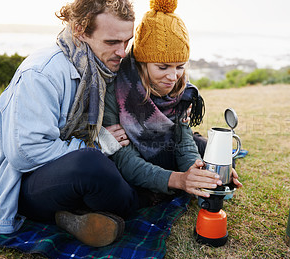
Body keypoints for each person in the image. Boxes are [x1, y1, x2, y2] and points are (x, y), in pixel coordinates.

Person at [0, 0, 138, 247]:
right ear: (80, 30)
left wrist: (180, 97)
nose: (122, 51)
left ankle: (75, 217)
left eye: (127, 41)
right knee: (92, 164)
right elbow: (25, 153)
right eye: (112, 42)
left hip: (65, 178)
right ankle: (136, 199)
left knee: (140, 143)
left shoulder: (103, 66)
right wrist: (97, 145)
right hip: (25, 186)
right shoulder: (41, 73)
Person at [102, 0, 242, 205]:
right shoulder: (116, 89)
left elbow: (183, 143)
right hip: (132, 162)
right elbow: (125, 160)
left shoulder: (182, 91)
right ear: (142, 62)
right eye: (163, 67)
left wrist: (197, 174)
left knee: (216, 156)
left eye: (179, 66)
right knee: (120, 189)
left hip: (168, 151)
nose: (173, 76)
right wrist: (179, 179)